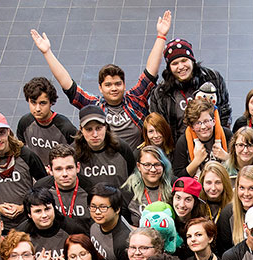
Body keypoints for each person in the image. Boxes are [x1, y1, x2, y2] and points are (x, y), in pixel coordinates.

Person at [30, 13, 172, 147]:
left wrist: (161, 36)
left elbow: (150, 72)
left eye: (118, 84)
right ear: (100, 88)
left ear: (124, 85)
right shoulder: (93, 106)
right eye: (108, 85)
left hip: (138, 164)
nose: (114, 88)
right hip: (107, 163)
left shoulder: (136, 99)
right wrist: (47, 52)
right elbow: (68, 85)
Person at [0, 112, 48, 228]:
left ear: (8, 131)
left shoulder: (26, 155)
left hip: (28, 221)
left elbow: (45, 184)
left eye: (1, 133)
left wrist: (23, 207)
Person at [150, 37, 232, 135]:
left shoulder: (213, 78)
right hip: (181, 146)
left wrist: (220, 139)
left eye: (184, 60)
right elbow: (160, 128)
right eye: (175, 63)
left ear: (192, 60)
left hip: (213, 141)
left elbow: (225, 111)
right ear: (169, 67)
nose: (181, 67)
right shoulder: (160, 93)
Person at [19, 187, 87, 260]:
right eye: (38, 211)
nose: (44, 215)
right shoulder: (21, 234)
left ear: (54, 208)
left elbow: (88, 259)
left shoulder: (72, 228)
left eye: (47, 209)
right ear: (29, 215)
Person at [16, 76, 78, 164]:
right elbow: (21, 151)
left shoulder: (66, 128)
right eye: (33, 102)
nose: (37, 109)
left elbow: (78, 154)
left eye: (42, 103)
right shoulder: (24, 122)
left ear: (51, 103)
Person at [73, 106, 138, 187]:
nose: (95, 134)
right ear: (81, 130)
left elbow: (133, 177)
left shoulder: (121, 148)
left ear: (106, 127)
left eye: (98, 128)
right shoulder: (73, 153)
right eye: (89, 129)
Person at [172, 96, 229, 178]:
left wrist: (226, 157)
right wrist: (196, 161)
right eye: (197, 123)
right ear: (191, 127)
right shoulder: (184, 141)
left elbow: (239, 166)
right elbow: (178, 176)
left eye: (206, 121)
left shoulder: (226, 134)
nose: (203, 127)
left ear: (213, 121)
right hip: (196, 186)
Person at [36, 144, 90, 227]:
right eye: (58, 169)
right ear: (50, 170)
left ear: (78, 167)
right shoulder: (40, 188)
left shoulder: (91, 189)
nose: (65, 174)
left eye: (69, 168)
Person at [123, 145, 175, 221]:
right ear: (139, 166)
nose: (153, 169)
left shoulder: (173, 184)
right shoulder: (128, 189)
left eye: (157, 164)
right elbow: (124, 222)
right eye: (147, 165)